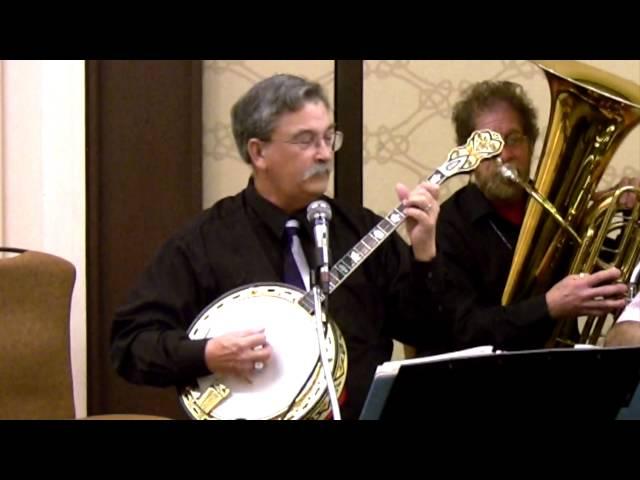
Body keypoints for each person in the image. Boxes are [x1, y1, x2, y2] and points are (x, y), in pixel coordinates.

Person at [110, 74, 446, 420]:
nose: (324, 153)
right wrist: (207, 354)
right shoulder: (203, 243)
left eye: (329, 137)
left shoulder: (362, 230)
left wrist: (424, 255)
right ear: (259, 152)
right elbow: (131, 344)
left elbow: (424, 331)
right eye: (305, 140)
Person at [434, 80, 632, 352]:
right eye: (487, 145)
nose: (504, 154)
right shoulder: (448, 224)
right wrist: (547, 306)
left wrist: (629, 218)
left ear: (530, 145)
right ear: (468, 157)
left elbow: (607, 274)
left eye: (513, 139)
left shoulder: (556, 207)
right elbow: (463, 328)